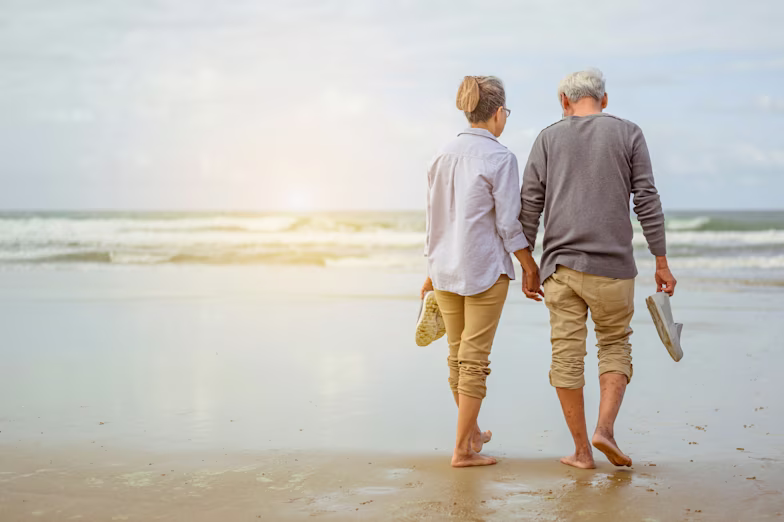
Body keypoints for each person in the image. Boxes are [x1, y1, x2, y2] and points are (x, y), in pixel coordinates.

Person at [520, 68, 677, 469]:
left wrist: (527, 264)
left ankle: (581, 452)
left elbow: (529, 207)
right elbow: (646, 199)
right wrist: (660, 259)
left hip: (561, 268)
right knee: (614, 345)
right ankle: (604, 429)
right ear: (604, 100)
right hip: (614, 269)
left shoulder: (547, 138)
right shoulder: (628, 133)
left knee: (567, 357)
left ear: (565, 102)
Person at [421, 75, 543, 468]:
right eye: (506, 111)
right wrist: (528, 264)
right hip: (484, 269)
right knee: (473, 360)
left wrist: (429, 268)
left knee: (457, 357)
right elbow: (509, 223)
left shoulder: (441, 154)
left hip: (444, 270)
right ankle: (461, 451)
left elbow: (432, 220)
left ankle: (470, 435)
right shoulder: (500, 157)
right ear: (497, 113)